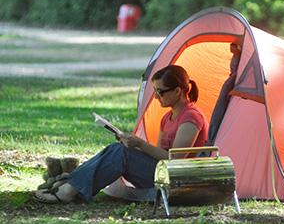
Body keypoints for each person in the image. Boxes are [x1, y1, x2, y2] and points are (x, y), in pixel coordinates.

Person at [35, 65, 209, 204]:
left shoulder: (191, 117)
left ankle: (67, 186)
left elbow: (175, 160)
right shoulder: (167, 117)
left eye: (160, 92)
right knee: (117, 148)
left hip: (178, 178)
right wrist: (135, 145)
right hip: (163, 171)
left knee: (121, 153)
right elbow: (160, 154)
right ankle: (69, 183)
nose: (156, 97)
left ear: (178, 91)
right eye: (155, 91)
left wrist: (140, 145)